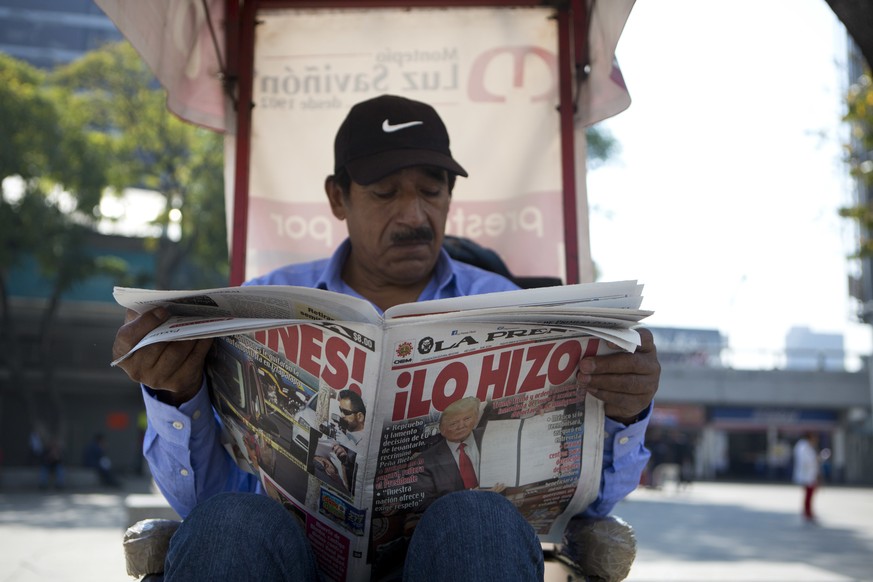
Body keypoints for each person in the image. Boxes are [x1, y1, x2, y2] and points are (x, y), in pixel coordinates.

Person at [112, 94, 661, 581]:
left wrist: (629, 414)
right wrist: (173, 395)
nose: (414, 215)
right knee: (230, 523)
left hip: (453, 557)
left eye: (432, 191)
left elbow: (588, 508)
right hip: (289, 559)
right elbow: (201, 500)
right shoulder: (259, 304)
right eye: (384, 193)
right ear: (337, 198)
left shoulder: (511, 305)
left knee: (479, 521)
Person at [792, 432, 820, 523]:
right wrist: (816, 459)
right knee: (808, 495)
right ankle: (807, 512)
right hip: (807, 475)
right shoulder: (803, 447)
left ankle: (808, 512)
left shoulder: (806, 446)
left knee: (809, 495)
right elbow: (807, 461)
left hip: (809, 474)